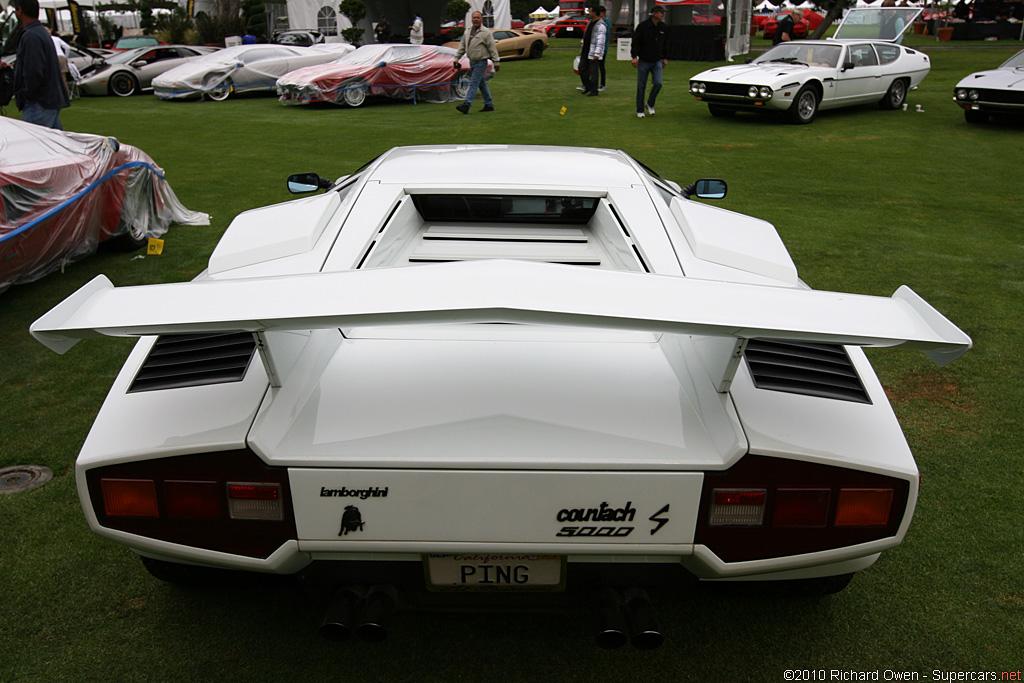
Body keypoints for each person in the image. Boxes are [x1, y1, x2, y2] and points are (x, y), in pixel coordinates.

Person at [0, 0, 69, 129]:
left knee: (34, 145)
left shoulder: (31, 36)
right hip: (48, 100)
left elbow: (34, 71)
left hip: (38, 103)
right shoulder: (41, 32)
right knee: (54, 145)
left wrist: (25, 93)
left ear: (20, 11)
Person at [454, 10, 500, 113]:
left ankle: (466, 105)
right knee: (481, 84)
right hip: (472, 61)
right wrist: (456, 58)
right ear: (471, 19)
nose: (476, 20)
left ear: (481, 19)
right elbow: (462, 46)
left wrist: (496, 62)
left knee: (474, 83)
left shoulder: (486, 32)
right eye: (474, 18)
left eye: (478, 18)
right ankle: (489, 104)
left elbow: (492, 48)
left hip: (481, 62)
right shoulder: (467, 31)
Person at [630, 5, 666, 118]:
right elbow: (636, 42)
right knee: (641, 86)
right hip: (644, 60)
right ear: (654, 13)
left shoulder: (663, 27)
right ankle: (640, 110)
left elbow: (664, 44)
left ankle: (650, 103)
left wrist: (665, 57)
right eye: (661, 12)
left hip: (657, 60)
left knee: (658, 83)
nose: (662, 14)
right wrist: (634, 56)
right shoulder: (643, 26)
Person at [582, 6, 606, 97]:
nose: (589, 13)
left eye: (590, 11)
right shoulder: (590, 23)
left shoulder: (601, 25)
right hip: (586, 49)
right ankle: (588, 86)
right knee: (582, 68)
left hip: (593, 51)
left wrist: (597, 53)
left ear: (595, 13)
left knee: (594, 71)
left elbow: (600, 40)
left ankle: (594, 90)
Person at [599, 6, 611, 91]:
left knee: (601, 66)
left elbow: (606, 36)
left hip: (603, 48)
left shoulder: (606, 22)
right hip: (599, 47)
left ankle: (603, 84)